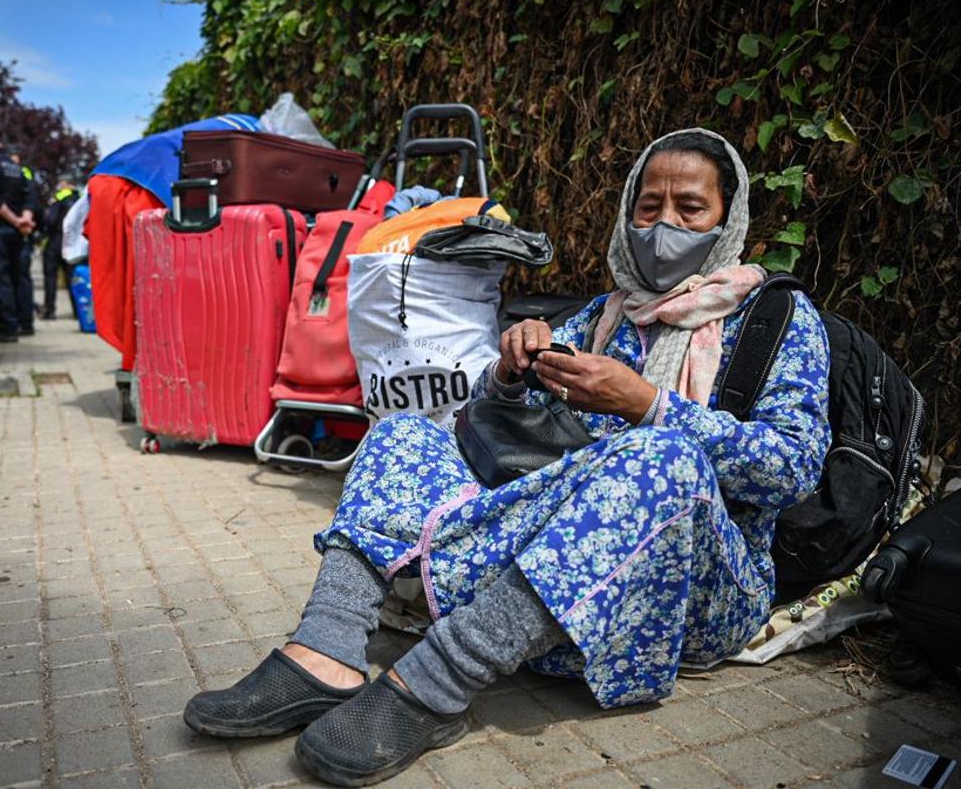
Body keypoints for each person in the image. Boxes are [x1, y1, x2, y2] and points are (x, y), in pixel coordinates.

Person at [182, 128, 832, 786]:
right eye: (648, 206)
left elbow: (795, 468)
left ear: (728, 219)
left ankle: (437, 684)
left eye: (689, 209)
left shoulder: (778, 317)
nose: (664, 224)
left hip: (686, 598)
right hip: (548, 590)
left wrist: (647, 405)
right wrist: (510, 374)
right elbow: (514, 435)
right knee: (405, 431)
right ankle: (325, 650)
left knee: (661, 455)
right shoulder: (603, 317)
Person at [0, 125, 34, 343]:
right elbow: (29, 197)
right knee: (17, 278)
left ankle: (6, 327)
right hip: (18, 232)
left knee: (0, 279)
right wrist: (24, 220)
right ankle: (24, 323)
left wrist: (14, 219)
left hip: (0, 230)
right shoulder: (15, 165)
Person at [8, 145, 44, 335]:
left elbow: (32, 202)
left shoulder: (22, 174)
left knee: (19, 278)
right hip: (24, 229)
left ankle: (23, 322)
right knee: (21, 278)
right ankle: (24, 321)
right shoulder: (24, 174)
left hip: (20, 231)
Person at [40, 174, 81, 320]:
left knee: (50, 277)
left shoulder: (60, 196)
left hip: (56, 240)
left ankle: (49, 310)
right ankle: (78, 311)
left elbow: (50, 220)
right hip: (73, 243)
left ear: (66, 184)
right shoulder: (80, 198)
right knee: (72, 278)